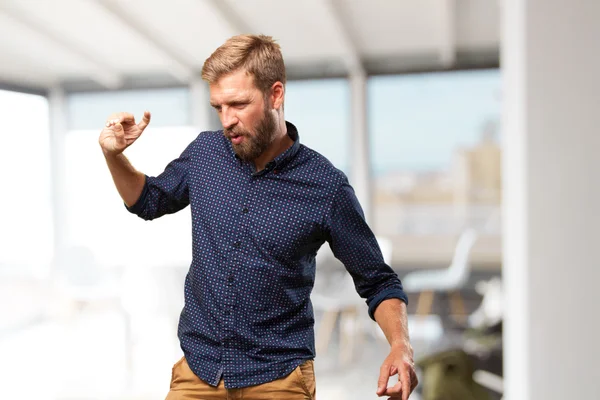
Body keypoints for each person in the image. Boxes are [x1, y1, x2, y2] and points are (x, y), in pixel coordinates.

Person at [99, 34, 417, 400]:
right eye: (218, 107)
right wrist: (113, 156)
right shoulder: (204, 153)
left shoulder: (325, 186)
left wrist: (400, 346)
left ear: (275, 94)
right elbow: (148, 201)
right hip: (198, 373)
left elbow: (378, 282)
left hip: (278, 379)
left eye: (237, 104)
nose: (227, 120)